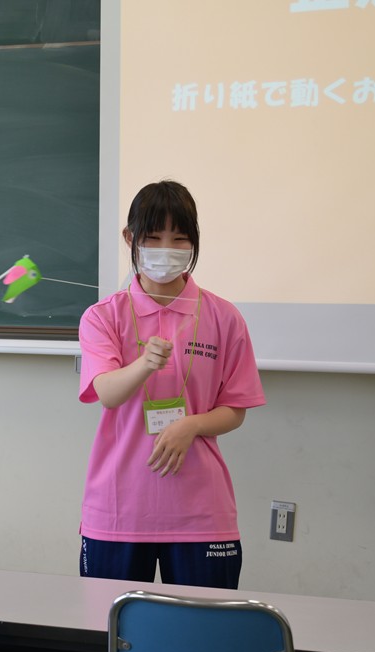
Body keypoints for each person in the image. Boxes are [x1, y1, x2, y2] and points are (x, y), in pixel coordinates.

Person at [77, 180, 264, 589]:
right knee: (110, 624)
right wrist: (144, 364)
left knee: (204, 624)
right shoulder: (103, 316)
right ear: (130, 238)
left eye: (179, 239)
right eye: (153, 237)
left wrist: (191, 425)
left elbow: (235, 408)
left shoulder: (224, 317)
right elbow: (106, 393)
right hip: (119, 511)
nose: (167, 248)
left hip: (202, 514)